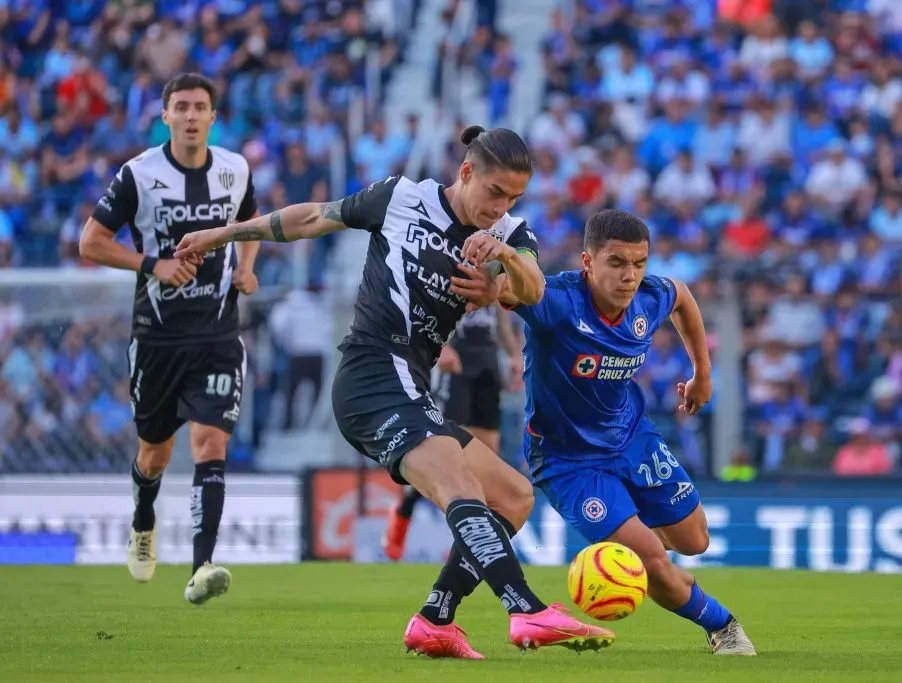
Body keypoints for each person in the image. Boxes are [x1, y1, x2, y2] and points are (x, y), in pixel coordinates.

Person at [174, 126, 615, 657]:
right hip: (372, 373)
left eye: (514, 197)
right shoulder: (403, 198)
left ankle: (436, 620)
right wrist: (224, 235)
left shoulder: (511, 232)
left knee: (515, 498)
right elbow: (314, 216)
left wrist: (501, 277)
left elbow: (534, 287)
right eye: (495, 192)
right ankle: (525, 609)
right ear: (467, 172)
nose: (501, 206)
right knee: (461, 487)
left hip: (411, 384)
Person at [503, 209, 757, 655]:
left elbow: (681, 296)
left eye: (639, 263)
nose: (631, 276)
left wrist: (702, 372)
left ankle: (653, 559)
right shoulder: (558, 301)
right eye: (617, 263)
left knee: (694, 541)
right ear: (588, 262)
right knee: (651, 560)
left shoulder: (647, 299)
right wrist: (498, 268)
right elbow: (512, 290)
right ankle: (723, 626)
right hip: (567, 461)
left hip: (631, 437)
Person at [79, 73, 258, 605]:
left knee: (210, 442)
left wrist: (246, 268)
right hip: (157, 338)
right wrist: (151, 265)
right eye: (180, 107)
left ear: (213, 116)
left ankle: (202, 566)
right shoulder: (138, 174)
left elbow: (252, 224)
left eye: (200, 107)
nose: (191, 115)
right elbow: (92, 242)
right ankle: (143, 518)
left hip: (218, 333)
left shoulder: (235, 169)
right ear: (164, 115)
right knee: (155, 454)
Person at [382, 303, 525, 561]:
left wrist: (514, 354)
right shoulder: (450, 264)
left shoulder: (495, 265)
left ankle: (468, 543)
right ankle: (403, 511)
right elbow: (426, 309)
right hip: (456, 363)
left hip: (488, 365)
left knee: (488, 456)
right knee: (441, 450)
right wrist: (442, 348)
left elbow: (500, 312)